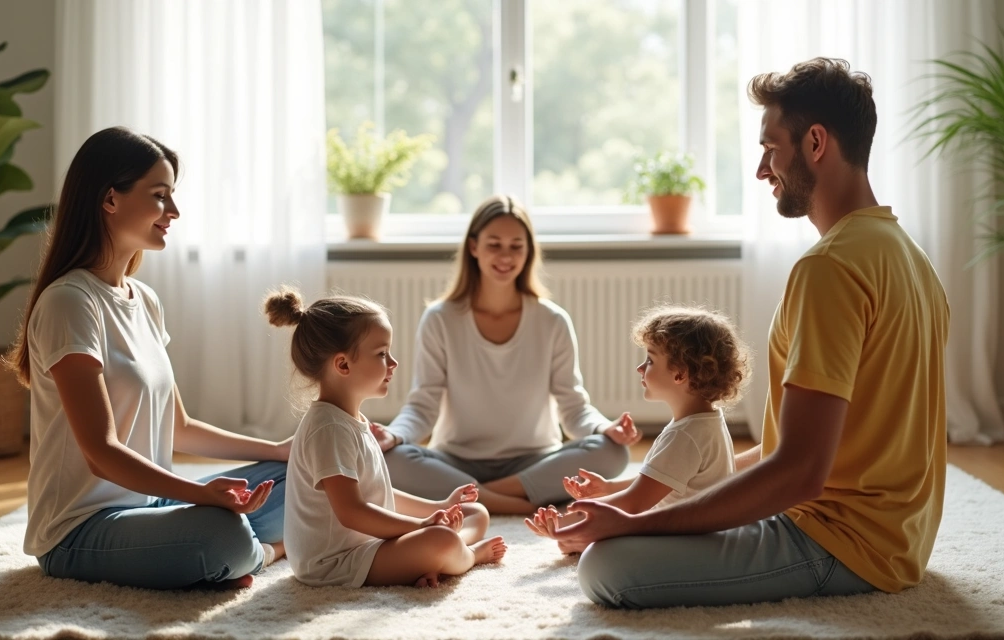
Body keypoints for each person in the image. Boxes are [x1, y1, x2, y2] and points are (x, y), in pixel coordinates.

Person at [547, 57, 951, 609]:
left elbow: (800, 473)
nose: (763, 169)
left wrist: (633, 526)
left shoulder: (830, 268)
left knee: (605, 567)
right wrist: (638, 501)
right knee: (631, 533)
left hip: (837, 542)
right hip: (901, 540)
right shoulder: (912, 259)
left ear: (815, 142)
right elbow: (814, 443)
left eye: (770, 148)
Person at [7, 127, 290, 590]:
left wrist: (279, 450)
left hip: (152, 506)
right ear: (110, 199)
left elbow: (179, 427)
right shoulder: (70, 302)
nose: (173, 212)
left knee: (300, 475)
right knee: (221, 534)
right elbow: (100, 453)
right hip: (82, 530)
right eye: (160, 196)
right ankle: (260, 552)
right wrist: (200, 495)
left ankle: (234, 554)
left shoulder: (145, 299)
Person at [374, 196, 641, 515]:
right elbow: (422, 405)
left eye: (516, 246)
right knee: (387, 458)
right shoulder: (440, 318)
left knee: (613, 453)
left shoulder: (552, 320)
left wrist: (603, 428)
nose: (505, 256)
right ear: (474, 247)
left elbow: (573, 407)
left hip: (534, 459)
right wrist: (394, 434)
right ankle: (519, 502)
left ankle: (481, 496)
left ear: (529, 251)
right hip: (455, 460)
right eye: (494, 244)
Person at [267, 287, 506, 588]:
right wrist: (421, 526)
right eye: (381, 354)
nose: (393, 363)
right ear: (343, 365)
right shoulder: (328, 429)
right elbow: (352, 512)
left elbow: (380, 494)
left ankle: (438, 557)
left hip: (369, 545)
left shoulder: (350, 419)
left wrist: (439, 506)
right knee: (440, 539)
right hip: (336, 563)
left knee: (476, 512)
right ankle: (466, 556)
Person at [526, 306, 747, 554]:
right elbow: (657, 480)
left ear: (680, 374)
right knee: (576, 540)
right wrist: (609, 488)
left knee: (588, 550)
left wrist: (566, 521)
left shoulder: (684, 436)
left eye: (650, 360)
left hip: (682, 541)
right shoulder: (706, 421)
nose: (640, 368)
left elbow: (634, 503)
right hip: (692, 533)